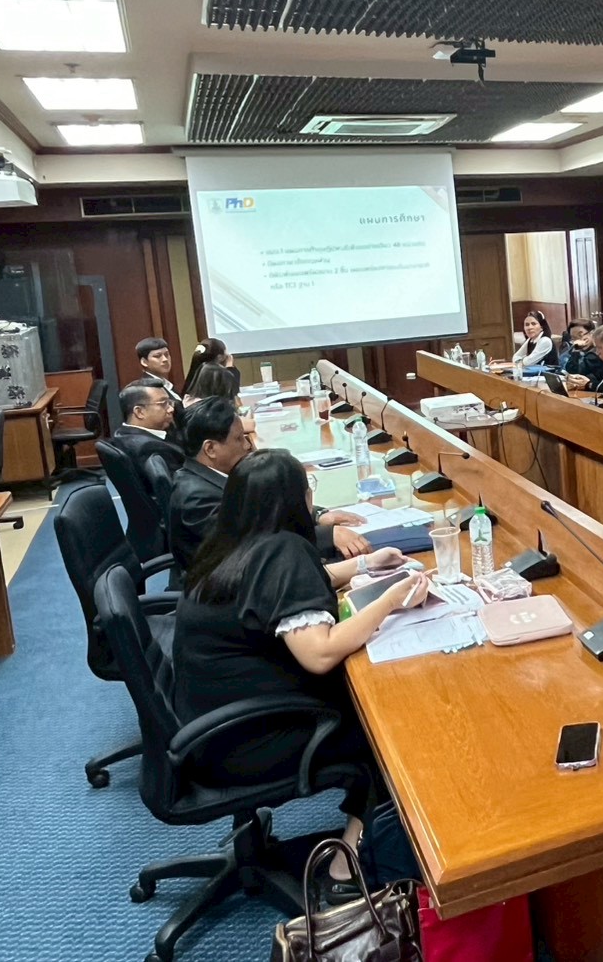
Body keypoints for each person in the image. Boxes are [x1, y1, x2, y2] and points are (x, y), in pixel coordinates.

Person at [173, 448, 428, 885]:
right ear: (298, 501)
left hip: (209, 727)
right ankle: (348, 863)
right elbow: (320, 653)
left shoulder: (231, 544)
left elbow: (295, 584)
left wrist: (367, 564)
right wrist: (391, 600)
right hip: (252, 738)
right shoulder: (282, 551)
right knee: (388, 727)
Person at [170, 398, 370, 574]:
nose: (247, 446)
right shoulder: (196, 497)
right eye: (238, 439)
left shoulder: (214, 477)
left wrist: (317, 515)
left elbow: (265, 511)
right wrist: (328, 535)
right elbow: (252, 544)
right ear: (210, 449)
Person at [111, 379, 185, 474]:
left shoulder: (120, 434)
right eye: (163, 404)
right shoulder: (152, 449)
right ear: (139, 412)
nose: (171, 409)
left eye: (169, 403)